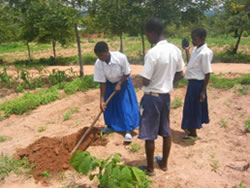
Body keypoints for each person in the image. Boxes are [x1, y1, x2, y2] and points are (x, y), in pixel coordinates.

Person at [138, 18, 185, 176]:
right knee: (166, 131)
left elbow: (146, 79)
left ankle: (150, 169)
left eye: (147, 34)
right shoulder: (175, 50)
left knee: (149, 134)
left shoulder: (153, 53)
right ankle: (164, 163)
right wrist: (168, 81)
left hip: (152, 97)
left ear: (152, 33)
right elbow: (181, 73)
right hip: (165, 97)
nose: (147, 37)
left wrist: (140, 81)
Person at [93, 41, 139, 143]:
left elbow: (127, 73)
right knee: (109, 106)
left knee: (125, 107)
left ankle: (128, 131)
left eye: (101, 55)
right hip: (109, 84)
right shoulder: (99, 63)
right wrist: (101, 100)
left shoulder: (120, 57)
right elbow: (102, 82)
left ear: (106, 51)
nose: (100, 58)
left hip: (124, 82)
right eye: (98, 56)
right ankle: (110, 126)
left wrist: (119, 84)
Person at [181, 28, 213, 138]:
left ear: (202, 38)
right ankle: (190, 130)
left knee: (194, 108)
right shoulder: (196, 49)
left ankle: (193, 133)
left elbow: (207, 73)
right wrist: (186, 51)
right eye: (192, 38)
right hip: (192, 83)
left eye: (194, 38)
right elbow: (191, 63)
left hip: (198, 84)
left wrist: (203, 91)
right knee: (190, 107)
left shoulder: (205, 53)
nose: (192, 40)